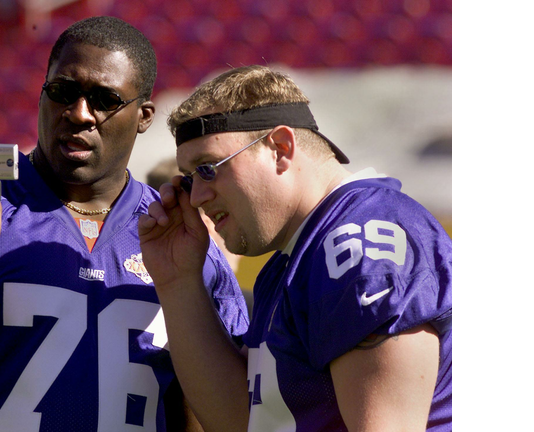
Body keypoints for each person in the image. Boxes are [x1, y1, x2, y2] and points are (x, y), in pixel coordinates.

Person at [0, 16, 248, 432]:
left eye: (104, 99)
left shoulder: (182, 239)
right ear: (42, 94)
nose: (79, 114)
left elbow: (212, 417)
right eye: (63, 92)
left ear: (144, 115)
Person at [138, 65, 452, 432]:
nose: (197, 198)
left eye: (208, 168)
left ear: (280, 149)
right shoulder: (296, 254)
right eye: (190, 180)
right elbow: (241, 423)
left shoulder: (359, 243)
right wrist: (178, 280)